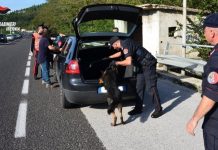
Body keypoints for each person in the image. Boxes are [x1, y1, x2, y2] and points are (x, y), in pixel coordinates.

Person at [108, 36, 163, 118]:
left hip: (148, 64)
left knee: (151, 87)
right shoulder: (124, 44)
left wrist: (116, 63)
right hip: (141, 66)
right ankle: (138, 108)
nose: (113, 47)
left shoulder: (126, 44)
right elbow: (121, 53)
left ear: (115, 43)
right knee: (139, 87)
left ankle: (159, 109)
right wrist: (109, 57)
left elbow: (128, 62)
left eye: (112, 46)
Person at [186, 13, 218, 150]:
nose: (203, 34)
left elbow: (212, 93)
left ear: (212, 32)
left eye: (204, 30)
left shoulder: (217, 57)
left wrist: (194, 119)